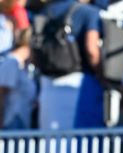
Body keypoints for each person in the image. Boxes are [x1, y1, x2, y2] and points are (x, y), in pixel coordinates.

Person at [36, 0, 104, 129]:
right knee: (79, 142)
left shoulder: (46, 11)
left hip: (47, 84)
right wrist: (102, 76)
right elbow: (92, 50)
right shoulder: (89, 12)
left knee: (50, 142)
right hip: (79, 84)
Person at [0, 25, 36, 129]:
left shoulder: (25, 66)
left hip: (23, 121)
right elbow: (1, 93)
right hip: (11, 121)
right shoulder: (11, 62)